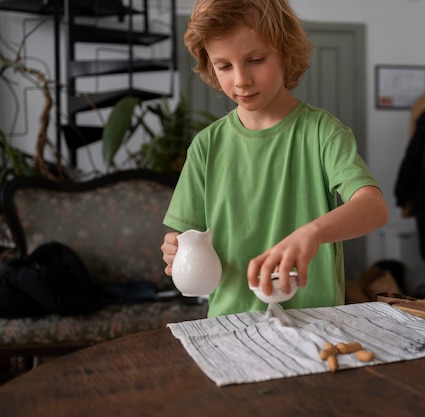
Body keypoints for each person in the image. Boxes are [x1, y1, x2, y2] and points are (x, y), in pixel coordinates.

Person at [161, 0, 389, 317]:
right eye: (224, 66)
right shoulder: (206, 146)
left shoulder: (323, 132)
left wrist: (312, 233)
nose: (241, 79)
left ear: (285, 52)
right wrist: (175, 250)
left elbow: (374, 208)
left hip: (316, 322)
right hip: (231, 323)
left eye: (255, 59)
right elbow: (186, 237)